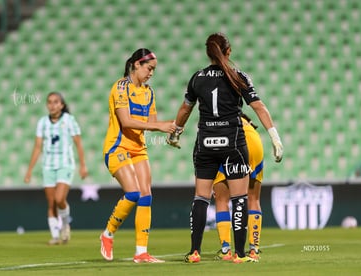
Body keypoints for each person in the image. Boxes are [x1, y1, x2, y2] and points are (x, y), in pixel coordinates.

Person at [168, 32, 283, 263]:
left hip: (205, 143)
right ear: (228, 51)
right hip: (233, 143)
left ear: (208, 53)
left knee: (201, 197)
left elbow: (185, 109)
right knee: (239, 197)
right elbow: (258, 106)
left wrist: (175, 132)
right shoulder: (237, 76)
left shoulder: (197, 78)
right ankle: (240, 254)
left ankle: (194, 252)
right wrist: (274, 136)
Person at [100, 48, 176, 263]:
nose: (151, 73)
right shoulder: (121, 87)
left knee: (146, 196)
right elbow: (126, 122)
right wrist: (161, 126)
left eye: (154, 70)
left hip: (138, 149)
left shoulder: (149, 92)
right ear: (136, 65)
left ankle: (141, 252)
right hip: (117, 147)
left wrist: (169, 132)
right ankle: (108, 233)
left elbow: (151, 124)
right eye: (149, 68)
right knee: (133, 193)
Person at [24, 92, 88, 245]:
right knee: (51, 202)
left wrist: (83, 165)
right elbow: (37, 147)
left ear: (62, 105)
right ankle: (55, 236)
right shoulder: (42, 123)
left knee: (60, 199)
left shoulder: (69, 120)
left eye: (55, 102)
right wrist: (29, 170)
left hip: (65, 164)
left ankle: (65, 224)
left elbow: (78, 143)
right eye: (49, 102)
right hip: (48, 166)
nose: (52, 105)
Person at [213, 113, 264, 262]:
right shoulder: (248, 124)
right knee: (253, 198)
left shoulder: (216, 119)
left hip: (230, 141)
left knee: (222, 200)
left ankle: (226, 250)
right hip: (255, 142)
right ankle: (253, 250)